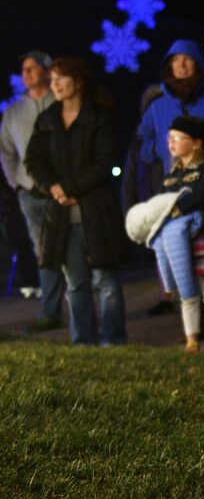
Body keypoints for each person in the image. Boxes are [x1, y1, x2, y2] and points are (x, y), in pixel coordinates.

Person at [24, 57, 128, 346]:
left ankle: (113, 340)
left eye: (60, 78)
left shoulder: (99, 117)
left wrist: (69, 187)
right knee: (76, 282)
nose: (54, 84)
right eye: (52, 78)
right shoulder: (47, 120)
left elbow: (105, 161)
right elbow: (33, 160)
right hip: (61, 213)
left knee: (105, 279)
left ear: (78, 81)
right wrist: (52, 188)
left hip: (96, 210)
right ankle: (82, 340)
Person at [135, 40, 204, 329]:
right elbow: (142, 142)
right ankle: (194, 327)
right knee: (182, 259)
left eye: (188, 59)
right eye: (175, 59)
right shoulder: (158, 106)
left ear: (198, 64)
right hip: (176, 197)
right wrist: (160, 149)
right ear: (168, 65)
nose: (181, 65)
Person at [126, 116, 204, 353]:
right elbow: (162, 200)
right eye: (169, 138)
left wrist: (176, 207)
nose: (171, 143)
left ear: (196, 143)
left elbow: (202, 195)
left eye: (177, 138)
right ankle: (192, 338)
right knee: (186, 291)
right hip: (175, 241)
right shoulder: (171, 174)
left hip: (200, 236)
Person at [0, 50, 66, 332]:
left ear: (47, 70)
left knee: (74, 249)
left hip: (64, 189)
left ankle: (80, 307)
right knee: (44, 252)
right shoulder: (14, 112)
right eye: (23, 69)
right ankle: (51, 311)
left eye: (32, 68)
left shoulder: (60, 100)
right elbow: (6, 151)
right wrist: (17, 183)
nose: (27, 74)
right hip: (30, 192)